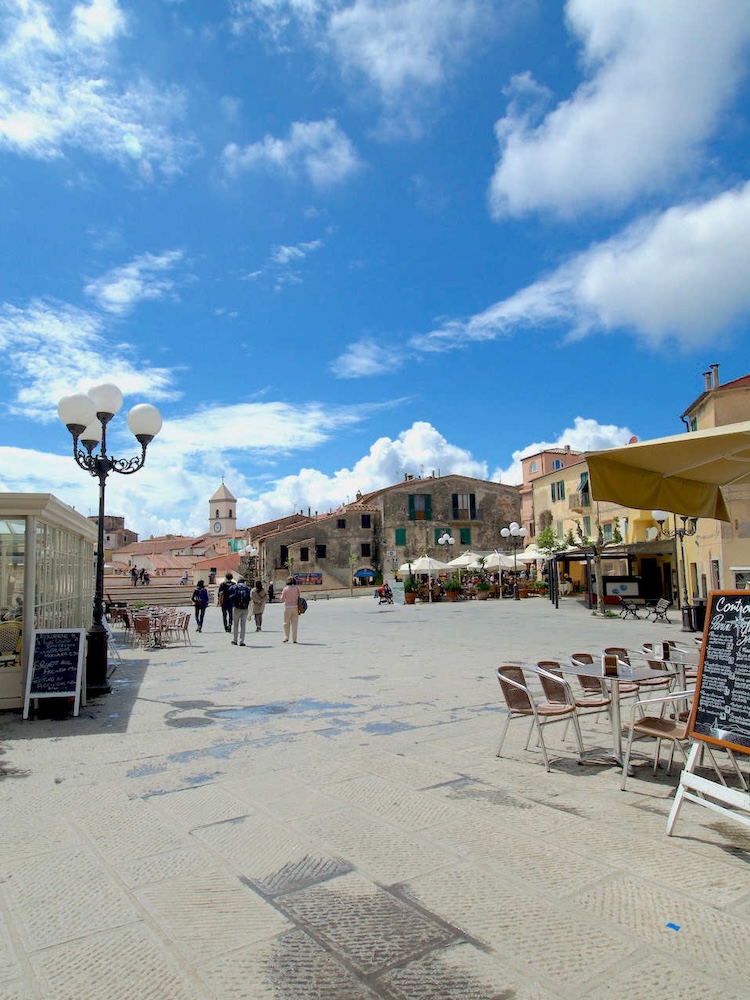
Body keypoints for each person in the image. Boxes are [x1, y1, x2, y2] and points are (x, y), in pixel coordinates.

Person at [281, 575, 301, 643]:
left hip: (287, 607)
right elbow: (299, 597)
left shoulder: (285, 589)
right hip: (295, 607)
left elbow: (282, 599)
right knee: (295, 624)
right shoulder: (296, 589)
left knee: (286, 623)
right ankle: (294, 639)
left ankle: (286, 637)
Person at [231, 576, 251, 646]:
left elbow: (231, 596)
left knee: (236, 624)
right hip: (245, 608)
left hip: (237, 608)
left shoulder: (235, 587)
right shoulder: (247, 588)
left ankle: (235, 640)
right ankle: (242, 641)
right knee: (243, 625)